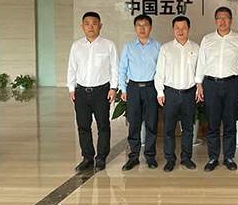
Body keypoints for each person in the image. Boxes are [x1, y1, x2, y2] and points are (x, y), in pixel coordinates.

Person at [67, 12, 118, 172]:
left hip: (101, 92)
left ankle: (101, 157)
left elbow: (115, 68)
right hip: (81, 92)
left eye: (94, 23)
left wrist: (114, 88)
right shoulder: (76, 46)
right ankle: (87, 157)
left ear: (100, 26)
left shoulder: (109, 45)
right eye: (87, 23)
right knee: (83, 126)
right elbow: (72, 68)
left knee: (103, 125)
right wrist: (71, 88)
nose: (91, 26)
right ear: (82, 26)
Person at [195, 7, 238, 172]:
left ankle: (229, 157)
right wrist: (199, 84)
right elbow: (201, 62)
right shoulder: (207, 39)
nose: (222, 21)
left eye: (226, 18)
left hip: (232, 84)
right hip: (211, 84)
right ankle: (213, 158)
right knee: (213, 123)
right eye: (219, 18)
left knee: (230, 123)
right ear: (215, 20)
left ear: (231, 20)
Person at [155, 16, 199, 172]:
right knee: (169, 129)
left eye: (184, 27)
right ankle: (170, 159)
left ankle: (186, 158)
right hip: (171, 94)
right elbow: (159, 72)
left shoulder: (196, 48)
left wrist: (199, 90)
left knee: (188, 128)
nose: (180, 31)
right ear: (173, 29)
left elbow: (199, 72)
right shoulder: (166, 48)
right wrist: (160, 92)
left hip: (189, 94)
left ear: (189, 29)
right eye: (177, 28)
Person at [119, 14, 162, 171]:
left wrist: (160, 91)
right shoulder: (128, 47)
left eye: (145, 25)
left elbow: (162, 70)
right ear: (135, 27)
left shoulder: (158, 46)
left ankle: (150, 157)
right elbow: (122, 69)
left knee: (151, 123)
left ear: (151, 27)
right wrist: (123, 89)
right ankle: (133, 157)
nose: (142, 28)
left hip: (151, 88)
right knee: (134, 123)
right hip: (133, 88)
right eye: (139, 25)